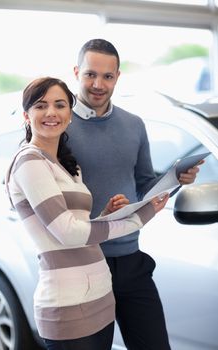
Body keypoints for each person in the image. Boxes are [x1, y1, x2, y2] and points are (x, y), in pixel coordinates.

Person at [5, 77, 169, 350]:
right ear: (26, 115)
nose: (51, 113)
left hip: (99, 299)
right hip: (68, 306)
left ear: (70, 115)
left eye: (60, 105)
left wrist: (106, 214)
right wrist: (140, 217)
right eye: (41, 106)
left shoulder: (68, 166)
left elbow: (80, 226)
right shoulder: (29, 162)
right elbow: (68, 233)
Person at [66, 39, 204, 350]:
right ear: (76, 72)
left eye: (107, 76)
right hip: (84, 265)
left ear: (117, 76)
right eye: (90, 74)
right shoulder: (59, 124)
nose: (98, 84)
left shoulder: (133, 125)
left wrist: (176, 180)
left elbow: (143, 185)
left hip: (131, 261)